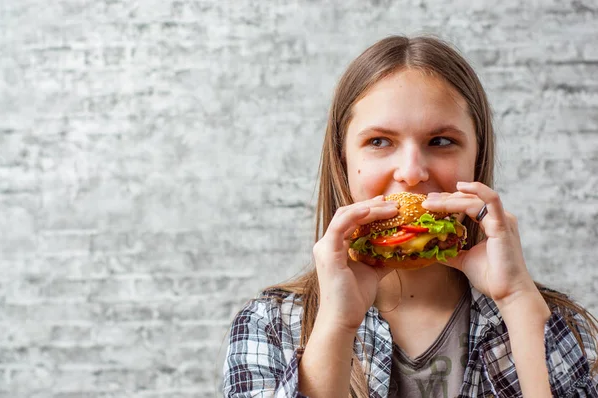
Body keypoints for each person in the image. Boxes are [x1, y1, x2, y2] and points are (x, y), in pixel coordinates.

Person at [222, 35, 598, 397]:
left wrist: (516, 301)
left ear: (477, 160)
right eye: (379, 142)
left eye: (441, 142)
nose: (412, 172)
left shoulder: (559, 324)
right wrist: (336, 322)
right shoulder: (270, 326)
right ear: (343, 160)